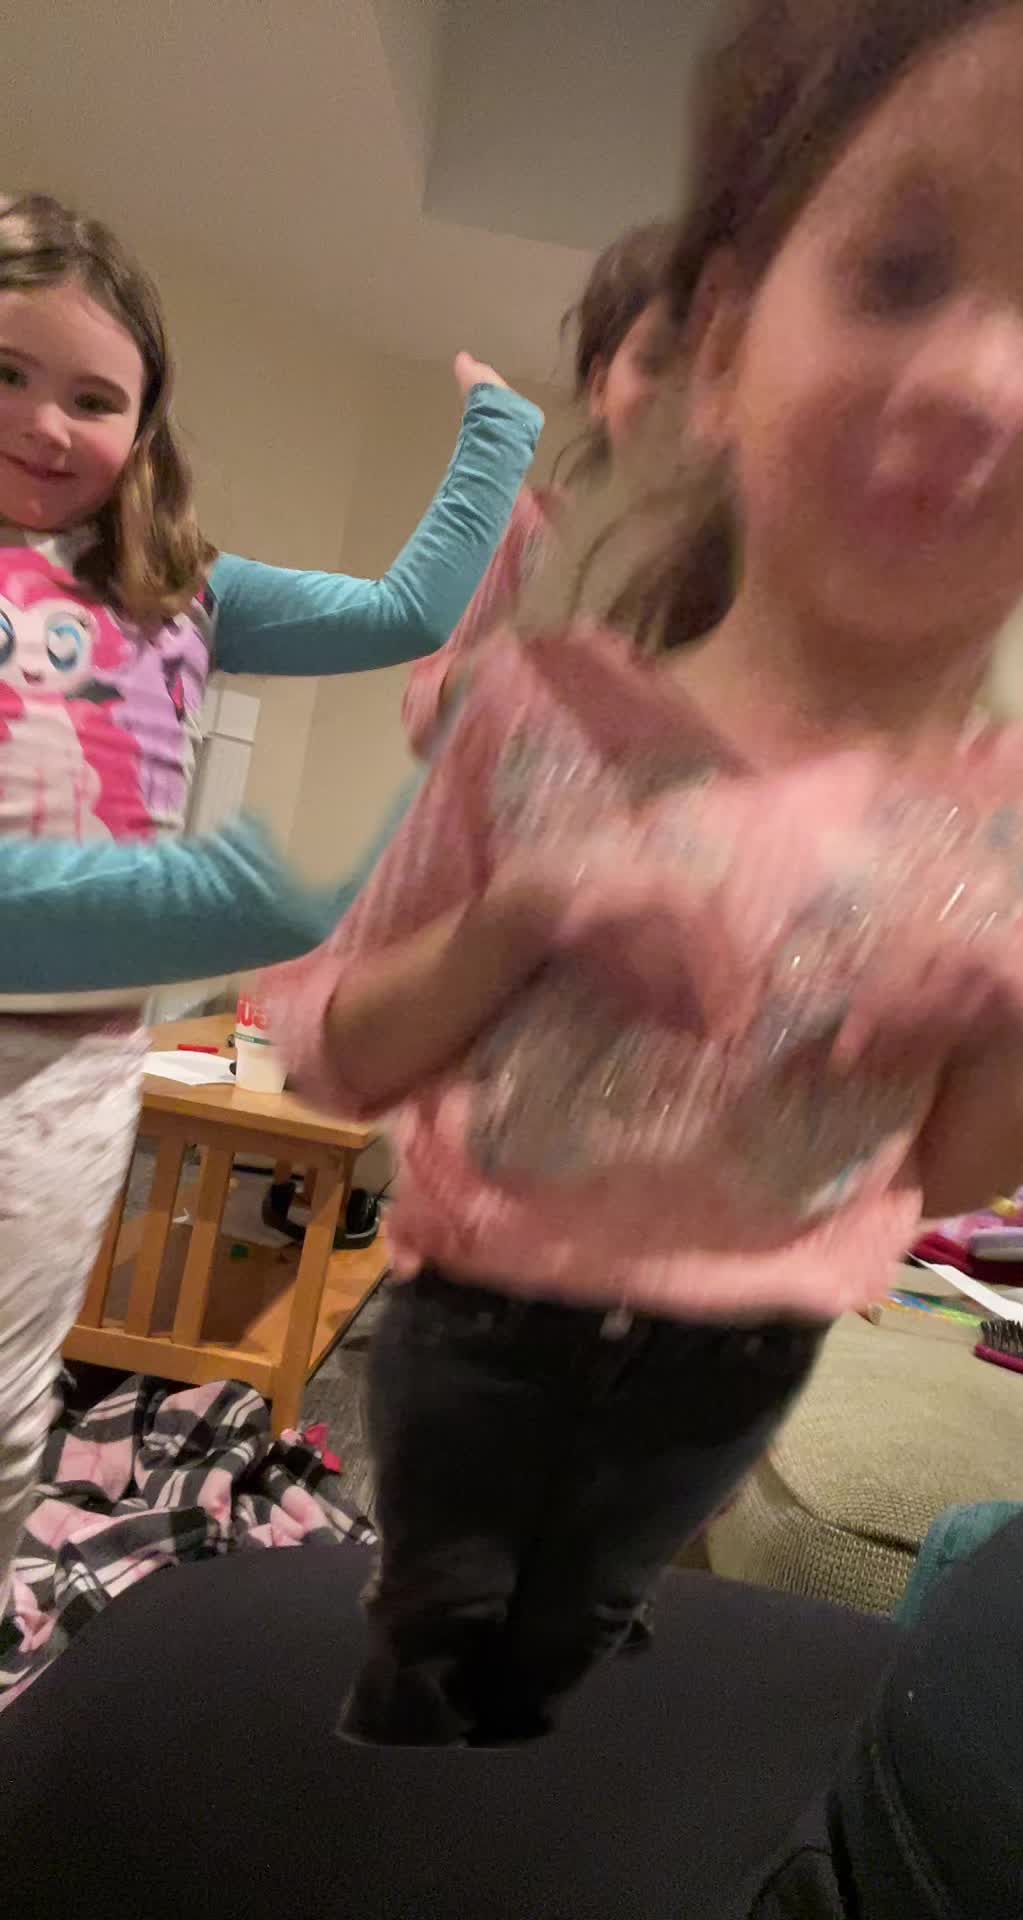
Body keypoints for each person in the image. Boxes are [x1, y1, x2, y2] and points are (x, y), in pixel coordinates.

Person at [270, 0, 1023, 1747]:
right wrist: (527, 917)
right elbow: (327, 1050)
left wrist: (1012, 1025)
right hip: (485, 1314)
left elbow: (970, 1168)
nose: (983, 378)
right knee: (427, 1653)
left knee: (586, 1634)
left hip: (751, 1349)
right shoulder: (538, 713)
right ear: (720, 349)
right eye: (900, 273)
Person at [0, 190, 540, 1613]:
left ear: (143, 427)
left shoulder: (184, 591)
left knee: (6, 1411)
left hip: (67, 1069)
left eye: (93, 399)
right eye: (8, 373)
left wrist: (498, 433)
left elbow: (406, 613)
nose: (47, 425)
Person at [401, 222, 673, 756]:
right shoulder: (530, 526)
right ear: (600, 387)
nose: (678, 392)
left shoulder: (743, 564)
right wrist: (510, 656)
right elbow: (423, 713)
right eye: (655, 361)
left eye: (710, 367)